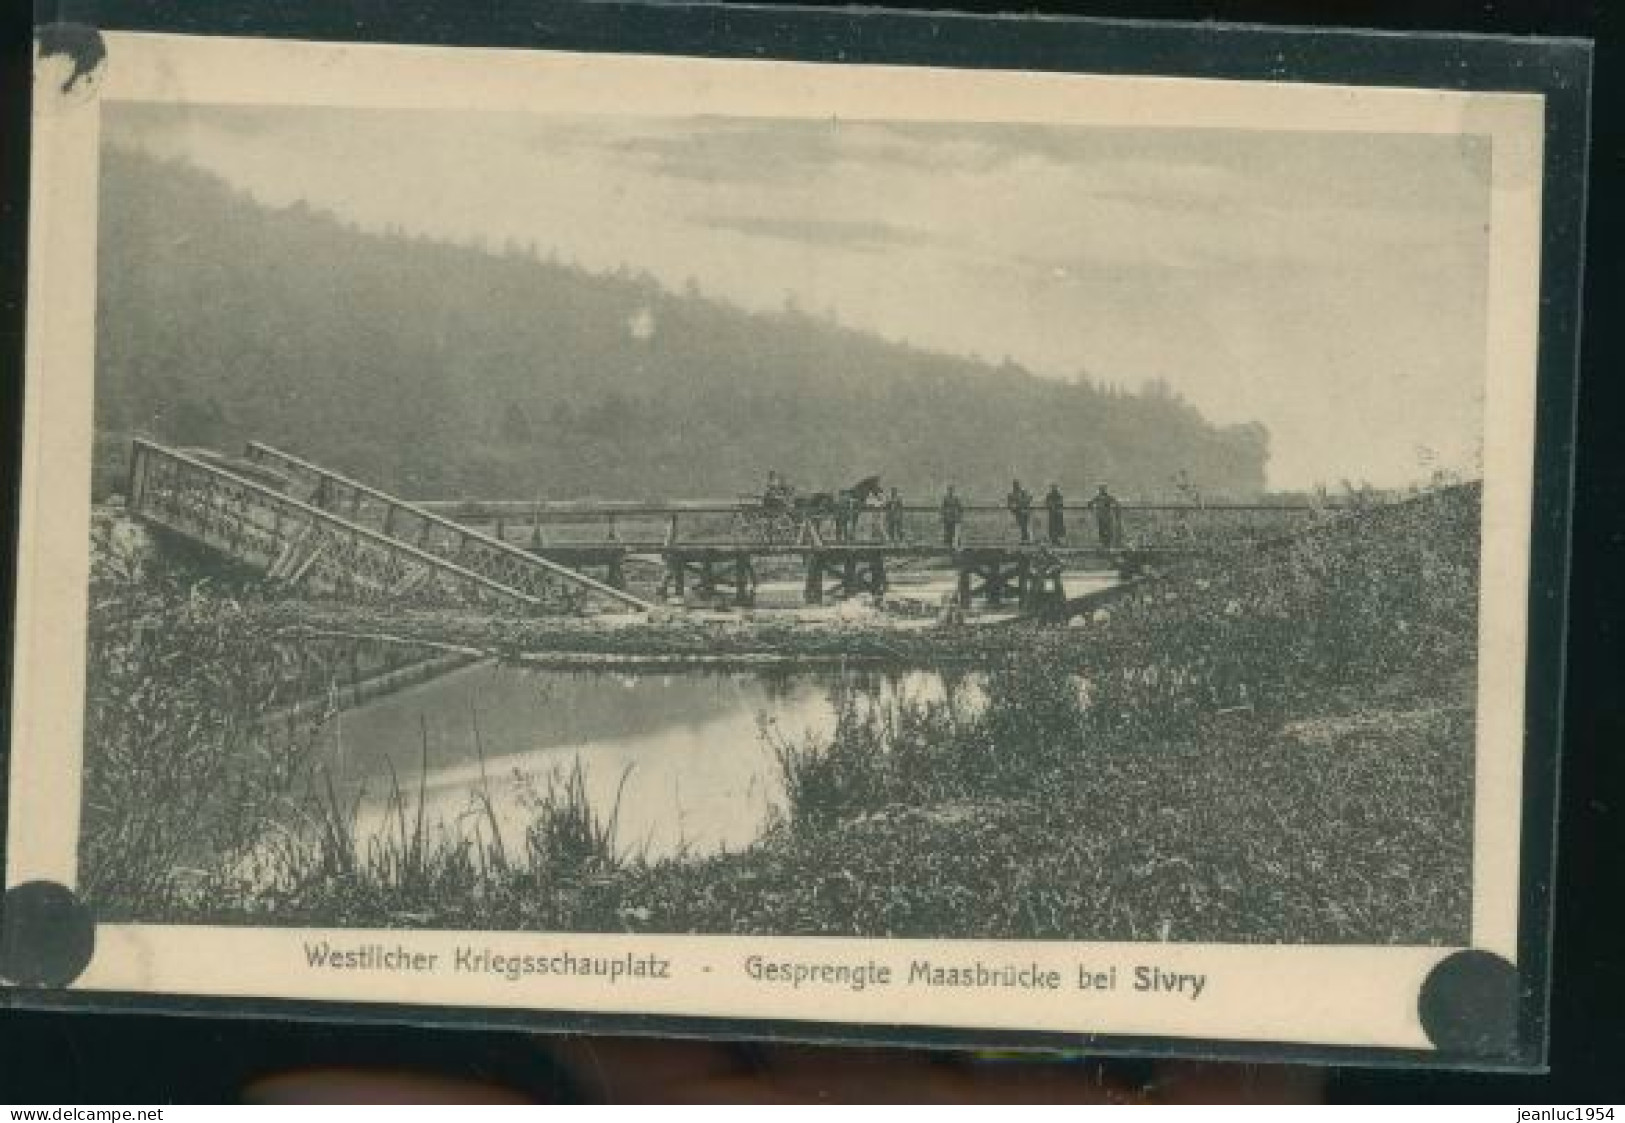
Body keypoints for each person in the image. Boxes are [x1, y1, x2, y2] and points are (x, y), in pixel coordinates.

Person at [1088, 483, 1122, 548]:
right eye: (1101, 489)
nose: (1101, 491)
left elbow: (1116, 503)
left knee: (1107, 531)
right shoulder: (1099, 498)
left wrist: (1116, 512)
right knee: (1102, 531)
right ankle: (1104, 545)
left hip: (1106, 517)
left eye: (1102, 489)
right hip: (1101, 517)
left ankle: (1106, 545)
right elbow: (1090, 504)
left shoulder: (1107, 498)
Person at [1006, 479, 1033, 543]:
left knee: (1024, 525)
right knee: (1022, 525)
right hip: (1018, 512)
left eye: (1017, 484)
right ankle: (1025, 538)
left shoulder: (1023, 492)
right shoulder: (1012, 494)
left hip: (1024, 511)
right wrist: (1013, 507)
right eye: (1015, 485)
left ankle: (1026, 538)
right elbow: (1009, 504)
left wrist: (1021, 503)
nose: (1016, 486)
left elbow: (1028, 499)